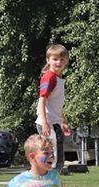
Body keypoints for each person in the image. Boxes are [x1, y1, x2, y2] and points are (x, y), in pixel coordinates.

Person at [36, 44, 71, 172]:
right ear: (48, 60)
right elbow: (42, 100)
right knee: (51, 155)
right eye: (55, 59)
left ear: (66, 61)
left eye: (62, 59)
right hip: (47, 122)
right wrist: (45, 122)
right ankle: (44, 178)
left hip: (54, 121)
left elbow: (57, 104)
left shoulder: (58, 78)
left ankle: (52, 179)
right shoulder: (49, 77)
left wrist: (63, 121)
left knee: (58, 154)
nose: (59, 62)